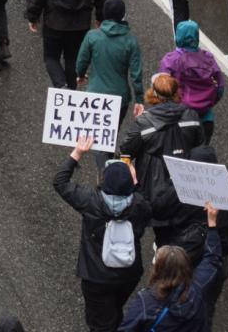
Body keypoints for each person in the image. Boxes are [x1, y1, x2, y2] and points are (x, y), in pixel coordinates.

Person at [55, 136, 152, 332]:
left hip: (96, 276)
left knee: (99, 323)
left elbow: (60, 182)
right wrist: (134, 180)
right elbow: (146, 203)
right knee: (115, 310)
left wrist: (77, 153)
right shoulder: (139, 205)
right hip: (128, 273)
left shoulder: (91, 201)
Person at [117, 75, 205, 246]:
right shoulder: (192, 116)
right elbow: (201, 147)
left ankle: (164, 256)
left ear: (153, 94)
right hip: (186, 183)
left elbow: (126, 151)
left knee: (159, 230)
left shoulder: (144, 122)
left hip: (154, 187)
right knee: (183, 226)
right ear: (176, 93)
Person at [116, 204, 224, 332]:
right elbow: (212, 259)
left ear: (158, 269)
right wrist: (212, 223)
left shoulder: (146, 301)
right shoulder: (198, 290)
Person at [77, 0, 145, 119]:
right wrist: (139, 99)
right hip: (119, 98)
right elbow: (136, 74)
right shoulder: (131, 41)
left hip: (94, 95)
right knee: (111, 135)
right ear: (123, 16)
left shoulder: (92, 36)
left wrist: (80, 75)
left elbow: (81, 62)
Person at [159, 21, 225, 143]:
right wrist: (210, 102)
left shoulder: (171, 60)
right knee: (199, 156)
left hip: (180, 118)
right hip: (205, 118)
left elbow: (161, 89)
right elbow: (220, 86)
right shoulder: (208, 58)